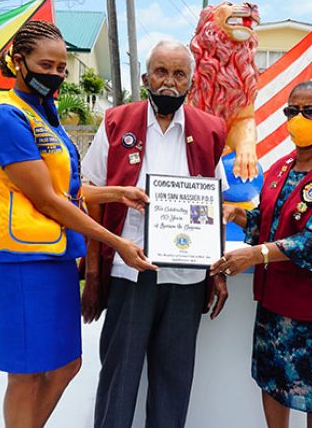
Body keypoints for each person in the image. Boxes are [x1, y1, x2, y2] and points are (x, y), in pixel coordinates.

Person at [0, 20, 155, 428]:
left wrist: (116, 194)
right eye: (47, 64)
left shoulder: (45, 117)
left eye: (61, 67)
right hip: (21, 261)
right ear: (18, 62)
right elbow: (47, 199)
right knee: (26, 372)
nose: (56, 74)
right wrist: (118, 242)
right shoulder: (7, 119)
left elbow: (66, 190)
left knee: (65, 365)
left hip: (55, 257)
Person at [81, 40, 230, 428]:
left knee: (173, 382)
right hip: (131, 275)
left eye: (179, 74)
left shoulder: (211, 130)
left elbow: (215, 207)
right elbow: (87, 194)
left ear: (190, 83)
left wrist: (218, 271)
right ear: (146, 78)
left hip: (186, 278)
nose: (169, 82)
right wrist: (95, 273)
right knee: (119, 378)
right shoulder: (116, 122)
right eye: (161, 72)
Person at [212, 81, 312, 428]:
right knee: (273, 380)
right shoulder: (281, 168)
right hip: (275, 303)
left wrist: (253, 256)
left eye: (309, 112)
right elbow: (269, 221)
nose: (299, 118)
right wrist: (236, 214)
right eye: (292, 111)